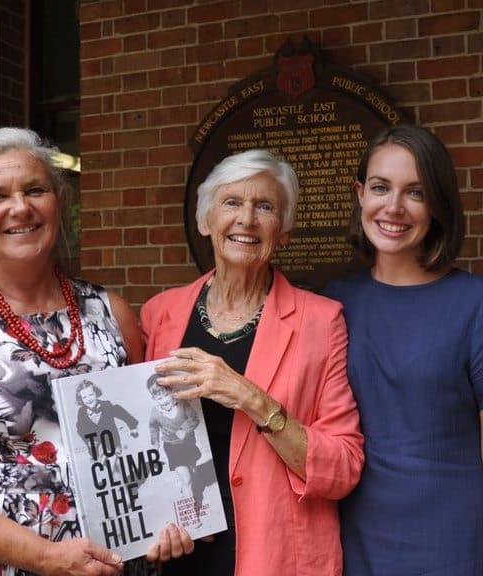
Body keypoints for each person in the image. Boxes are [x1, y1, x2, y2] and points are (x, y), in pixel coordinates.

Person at [0, 127, 192, 576]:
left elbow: (143, 442)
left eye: (35, 189)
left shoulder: (111, 313)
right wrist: (45, 557)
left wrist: (167, 516)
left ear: (58, 201)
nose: (20, 207)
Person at [140, 149, 365, 576]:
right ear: (206, 221)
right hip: (184, 552)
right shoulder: (160, 314)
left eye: (264, 206)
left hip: (275, 553)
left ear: (283, 231)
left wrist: (250, 397)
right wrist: (151, 520)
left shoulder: (321, 321)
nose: (246, 219)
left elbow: (344, 467)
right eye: (231, 203)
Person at [324, 124, 483, 575]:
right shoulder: (335, 301)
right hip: (355, 532)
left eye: (415, 192)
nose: (393, 207)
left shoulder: (474, 303)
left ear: (438, 204)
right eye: (380, 187)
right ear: (360, 194)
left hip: (453, 536)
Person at [146, 374, 202, 522]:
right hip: (171, 448)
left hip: (188, 444)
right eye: (159, 398)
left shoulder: (182, 404)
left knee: (193, 471)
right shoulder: (155, 413)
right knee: (187, 479)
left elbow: (194, 419)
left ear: (172, 392)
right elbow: (153, 427)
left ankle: (188, 481)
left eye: (166, 395)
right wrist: (155, 444)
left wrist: (185, 429)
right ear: (154, 399)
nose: (163, 400)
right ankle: (193, 515)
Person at [76, 379, 139, 458]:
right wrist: (88, 441)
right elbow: (80, 429)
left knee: (113, 460)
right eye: (84, 397)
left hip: (112, 443)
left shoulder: (106, 405)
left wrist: (133, 427)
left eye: (91, 395)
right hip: (95, 449)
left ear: (96, 393)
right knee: (106, 465)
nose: (88, 399)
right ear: (81, 399)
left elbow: (123, 414)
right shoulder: (81, 412)